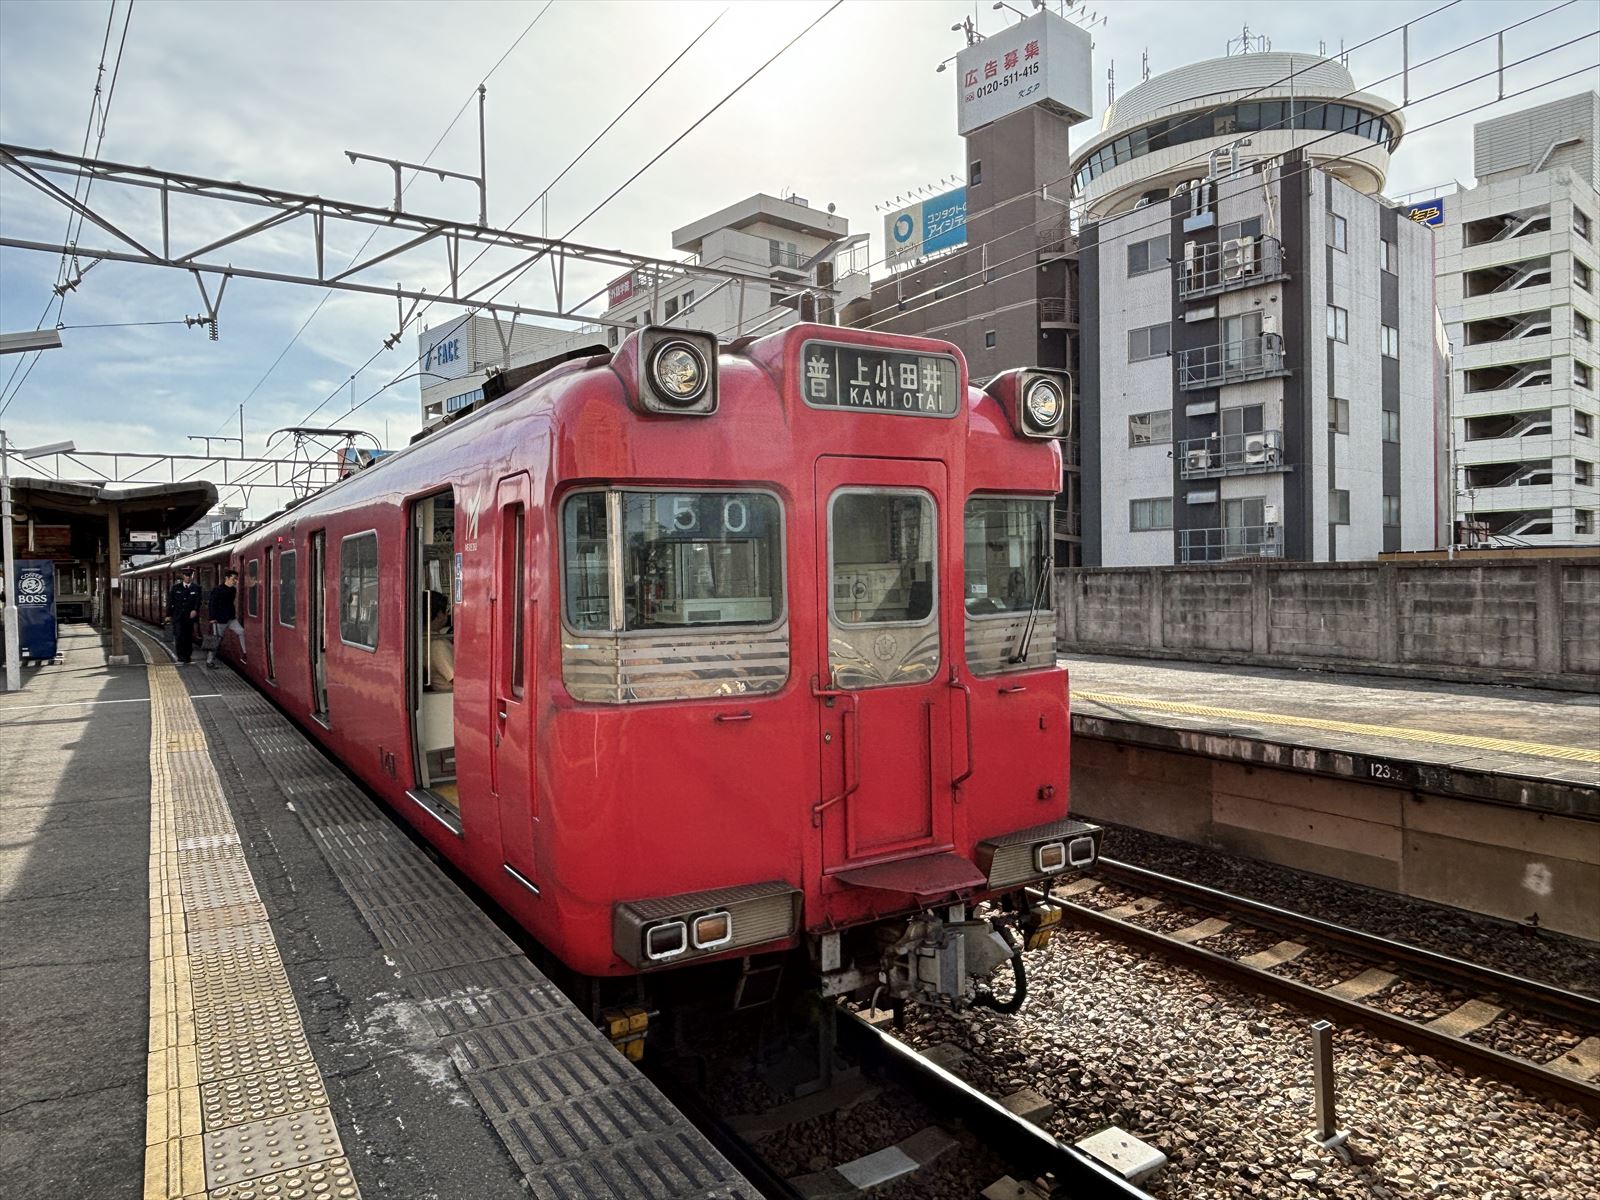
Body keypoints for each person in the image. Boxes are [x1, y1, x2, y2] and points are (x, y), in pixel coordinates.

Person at [206, 569, 246, 669]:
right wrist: (212, 618)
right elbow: (212, 604)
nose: (236, 581)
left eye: (236, 579)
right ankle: (209, 661)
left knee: (241, 631)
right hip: (219, 620)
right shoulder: (217, 590)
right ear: (227, 578)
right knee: (216, 641)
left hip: (231, 619)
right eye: (234, 579)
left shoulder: (233, 590)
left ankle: (245, 653)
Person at [167, 567, 204, 664]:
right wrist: (168, 614)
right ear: (183, 576)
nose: (188, 577)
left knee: (188, 636)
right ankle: (180, 656)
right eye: (186, 575)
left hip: (189, 617)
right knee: (179, 636)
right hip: (178, 616)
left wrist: (195, 610)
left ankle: (188, 656)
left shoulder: (196, 588)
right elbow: (170, 602)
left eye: (189, 576)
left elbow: (198, 601)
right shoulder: (176, 588)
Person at [427, 591, 455, 691]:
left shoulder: (426, 640)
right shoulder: (438, 645)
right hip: (449, 695)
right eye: (446, 611)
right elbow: (456, 680)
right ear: (439, 615)